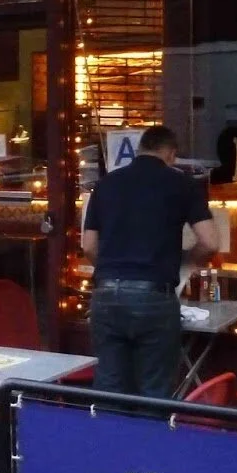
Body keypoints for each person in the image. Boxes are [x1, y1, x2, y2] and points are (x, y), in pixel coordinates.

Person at [81, 125, 217, 398]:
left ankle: (110, 427)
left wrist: (112, 273)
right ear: (171, 154)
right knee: (154, 391)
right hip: (153, 297)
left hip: (106, 296)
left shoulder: (106, 184)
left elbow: (89, 246)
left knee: (109, 390)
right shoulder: (182, 184)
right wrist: (185, 262)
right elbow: (211, 242)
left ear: (139, 149)